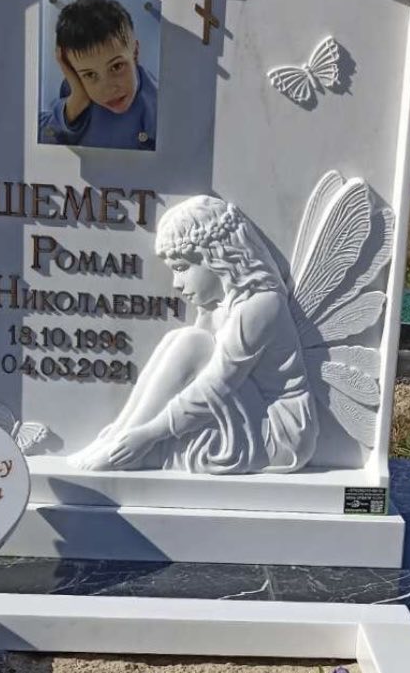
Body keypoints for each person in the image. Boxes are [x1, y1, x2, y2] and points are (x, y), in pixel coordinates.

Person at [69, 196, 318, 473]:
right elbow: (182, 377)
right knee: (177, 339)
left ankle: (126, 445)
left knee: (193, 343)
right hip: (248, 410)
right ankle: (118, 436)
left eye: (182, 268)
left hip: (280, 431)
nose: (176, 284)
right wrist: (133, 431)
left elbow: (216, 383)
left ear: (217, 255)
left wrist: (150, 434)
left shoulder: (262, 304)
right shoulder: (218, 306)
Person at [39, 0, 157, 151]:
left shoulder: (154, 106)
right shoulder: (75, 89)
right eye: (90, 75)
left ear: (135, 52)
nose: (107, 89)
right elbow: (42, 138)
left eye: (116, 66)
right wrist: (75, 104)